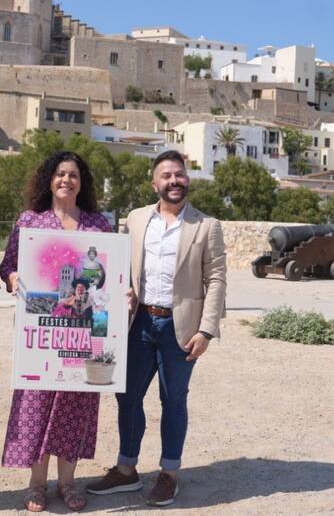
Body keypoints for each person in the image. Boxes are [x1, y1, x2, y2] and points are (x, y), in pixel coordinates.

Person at [85, 150, 227, 507]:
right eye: (166, 176)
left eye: (178, 174)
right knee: (127, 397)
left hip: (181, 328)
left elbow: (217, 278)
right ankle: (127, 469)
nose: (173, 181)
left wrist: (207, 330)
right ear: (155, 183)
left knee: (173, 401)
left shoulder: (206, 226)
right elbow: (117, 264)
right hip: (139, 323)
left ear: (187, 179)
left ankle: (169, 474)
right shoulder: (134, 219)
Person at [0, 151, 112, 513]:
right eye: (61, 174)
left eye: (74, 175)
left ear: (83, 183)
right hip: (42, 327)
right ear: (49, 179)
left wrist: (121, 288)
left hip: (85, 328)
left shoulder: (98, 225)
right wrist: (15, 277)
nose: (67, 180)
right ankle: (36, 484)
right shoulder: (30, 221)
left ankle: (67, 482)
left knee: (75, 406)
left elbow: (110, 273)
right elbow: (8, 265)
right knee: (36, 405)